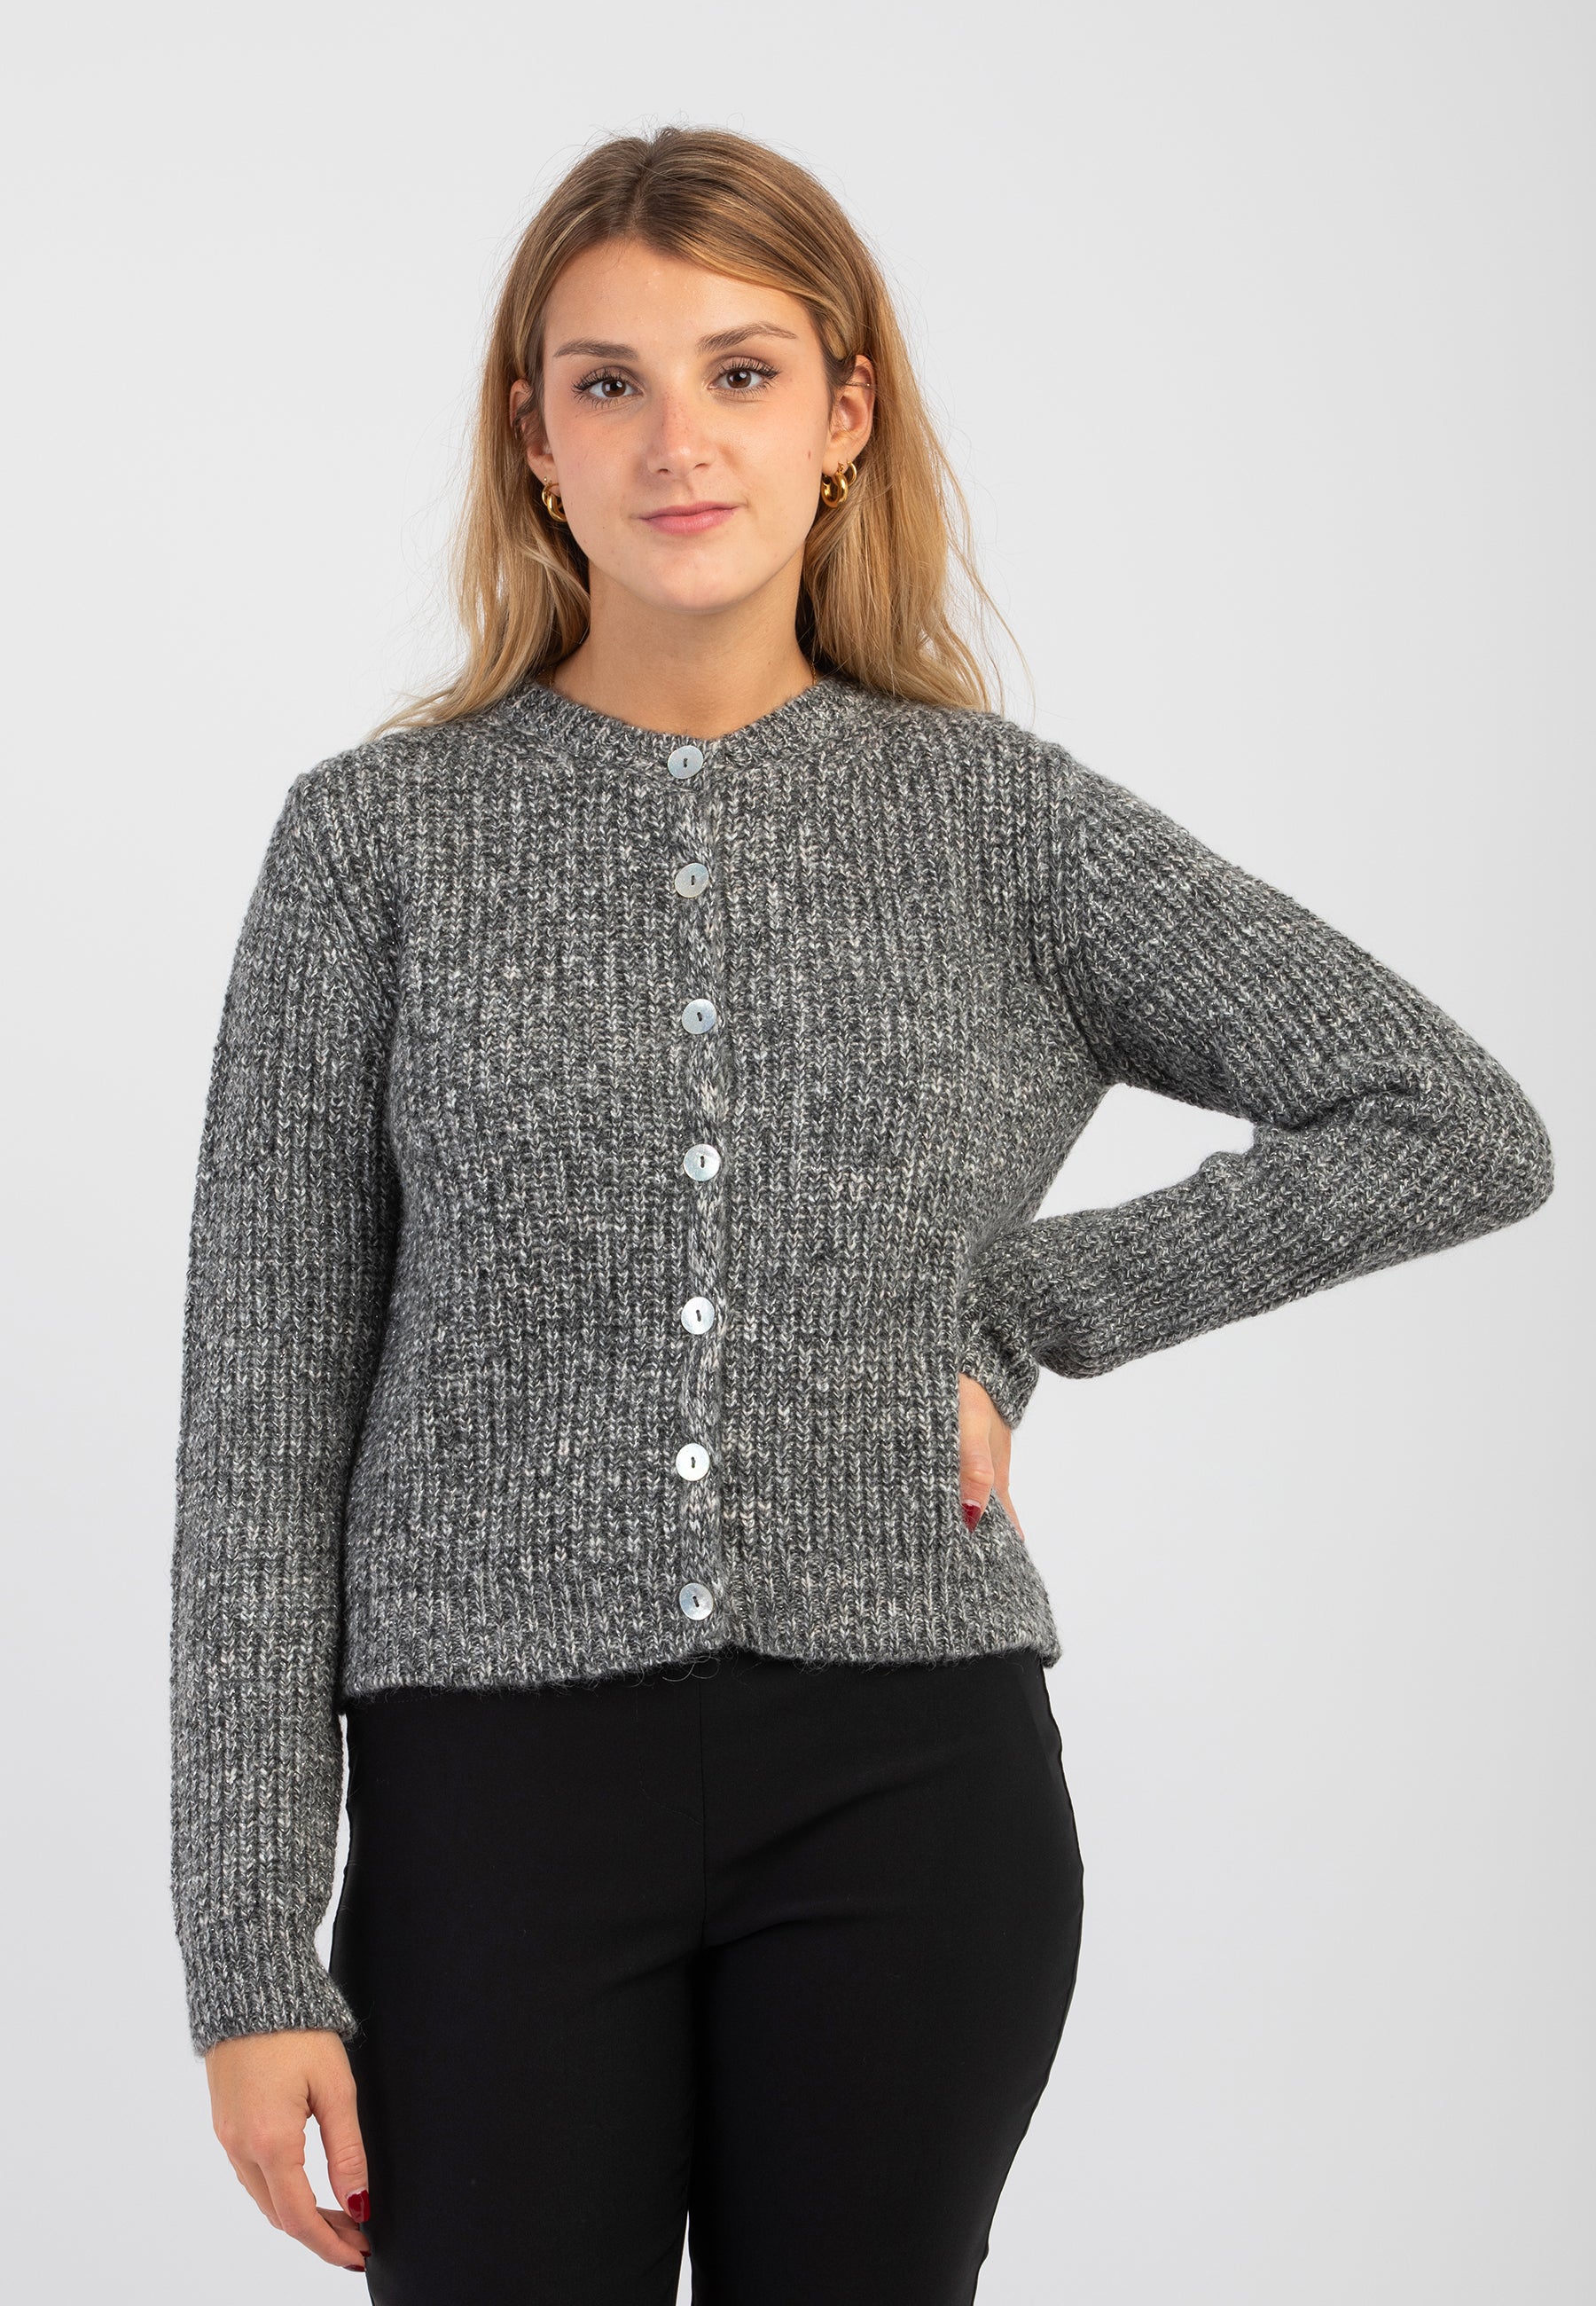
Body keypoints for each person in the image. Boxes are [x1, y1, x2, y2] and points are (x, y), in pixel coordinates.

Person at [170, 125, 1554, 2304]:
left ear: (844, 413)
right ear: (533, 439)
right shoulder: (376, 845)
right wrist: (250, 1953)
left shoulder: (1001, 823)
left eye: (740, 372)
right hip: (486, 1804)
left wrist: (1026, 1305)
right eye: (607, 382)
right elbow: (260, 1416)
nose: (676, 439)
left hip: (908, 1787)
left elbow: (1450, 1117)